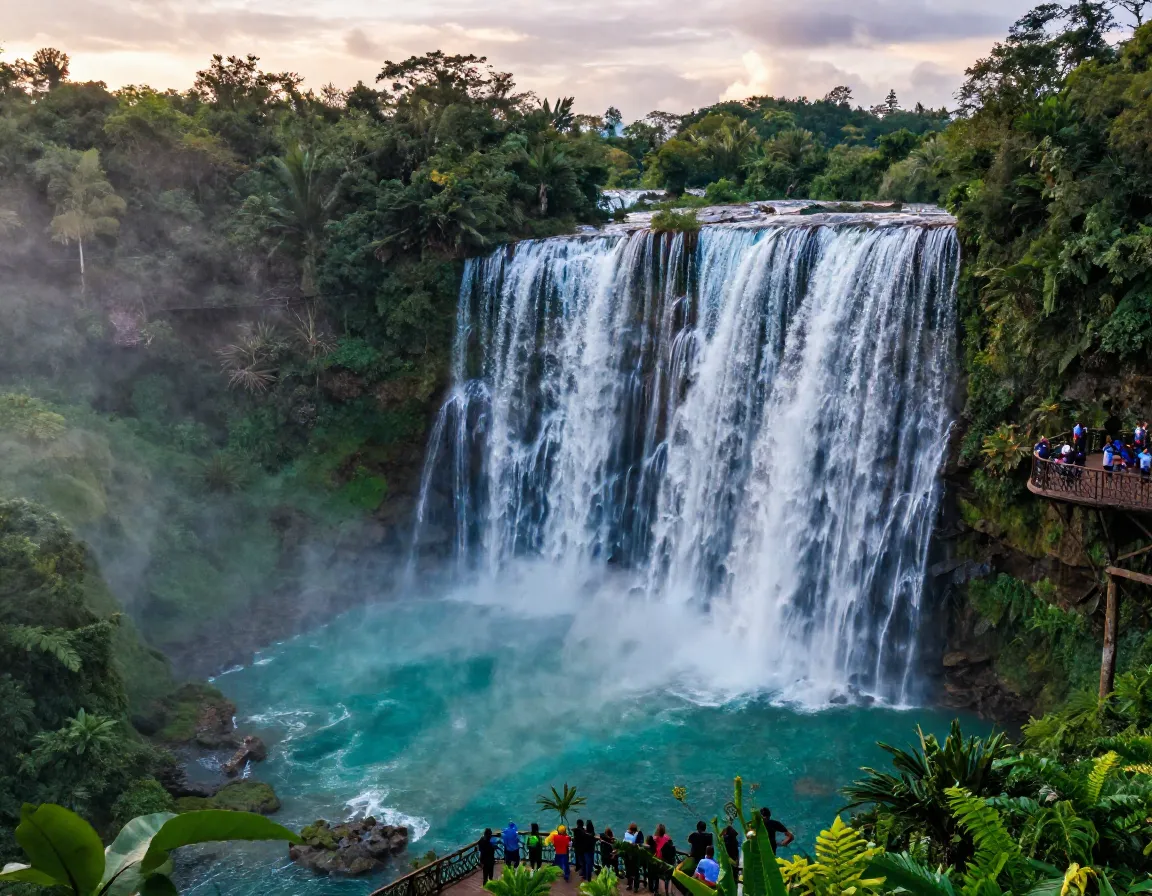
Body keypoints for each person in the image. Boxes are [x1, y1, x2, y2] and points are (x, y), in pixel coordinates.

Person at [655, 825, 676, 895]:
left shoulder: (656, 838)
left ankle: (663, 893)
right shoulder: (667, 837)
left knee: (661, 877)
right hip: (670, 861)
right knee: (669, 877)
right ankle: (669, 893)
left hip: (661, 860)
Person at [623, 824, 642, 892]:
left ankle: (631, 885)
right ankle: (634, 886)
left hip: (631, 856)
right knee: (633, 872)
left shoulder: (631, 835)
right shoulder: (632, 835)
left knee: (630, 871)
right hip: (632, 856)